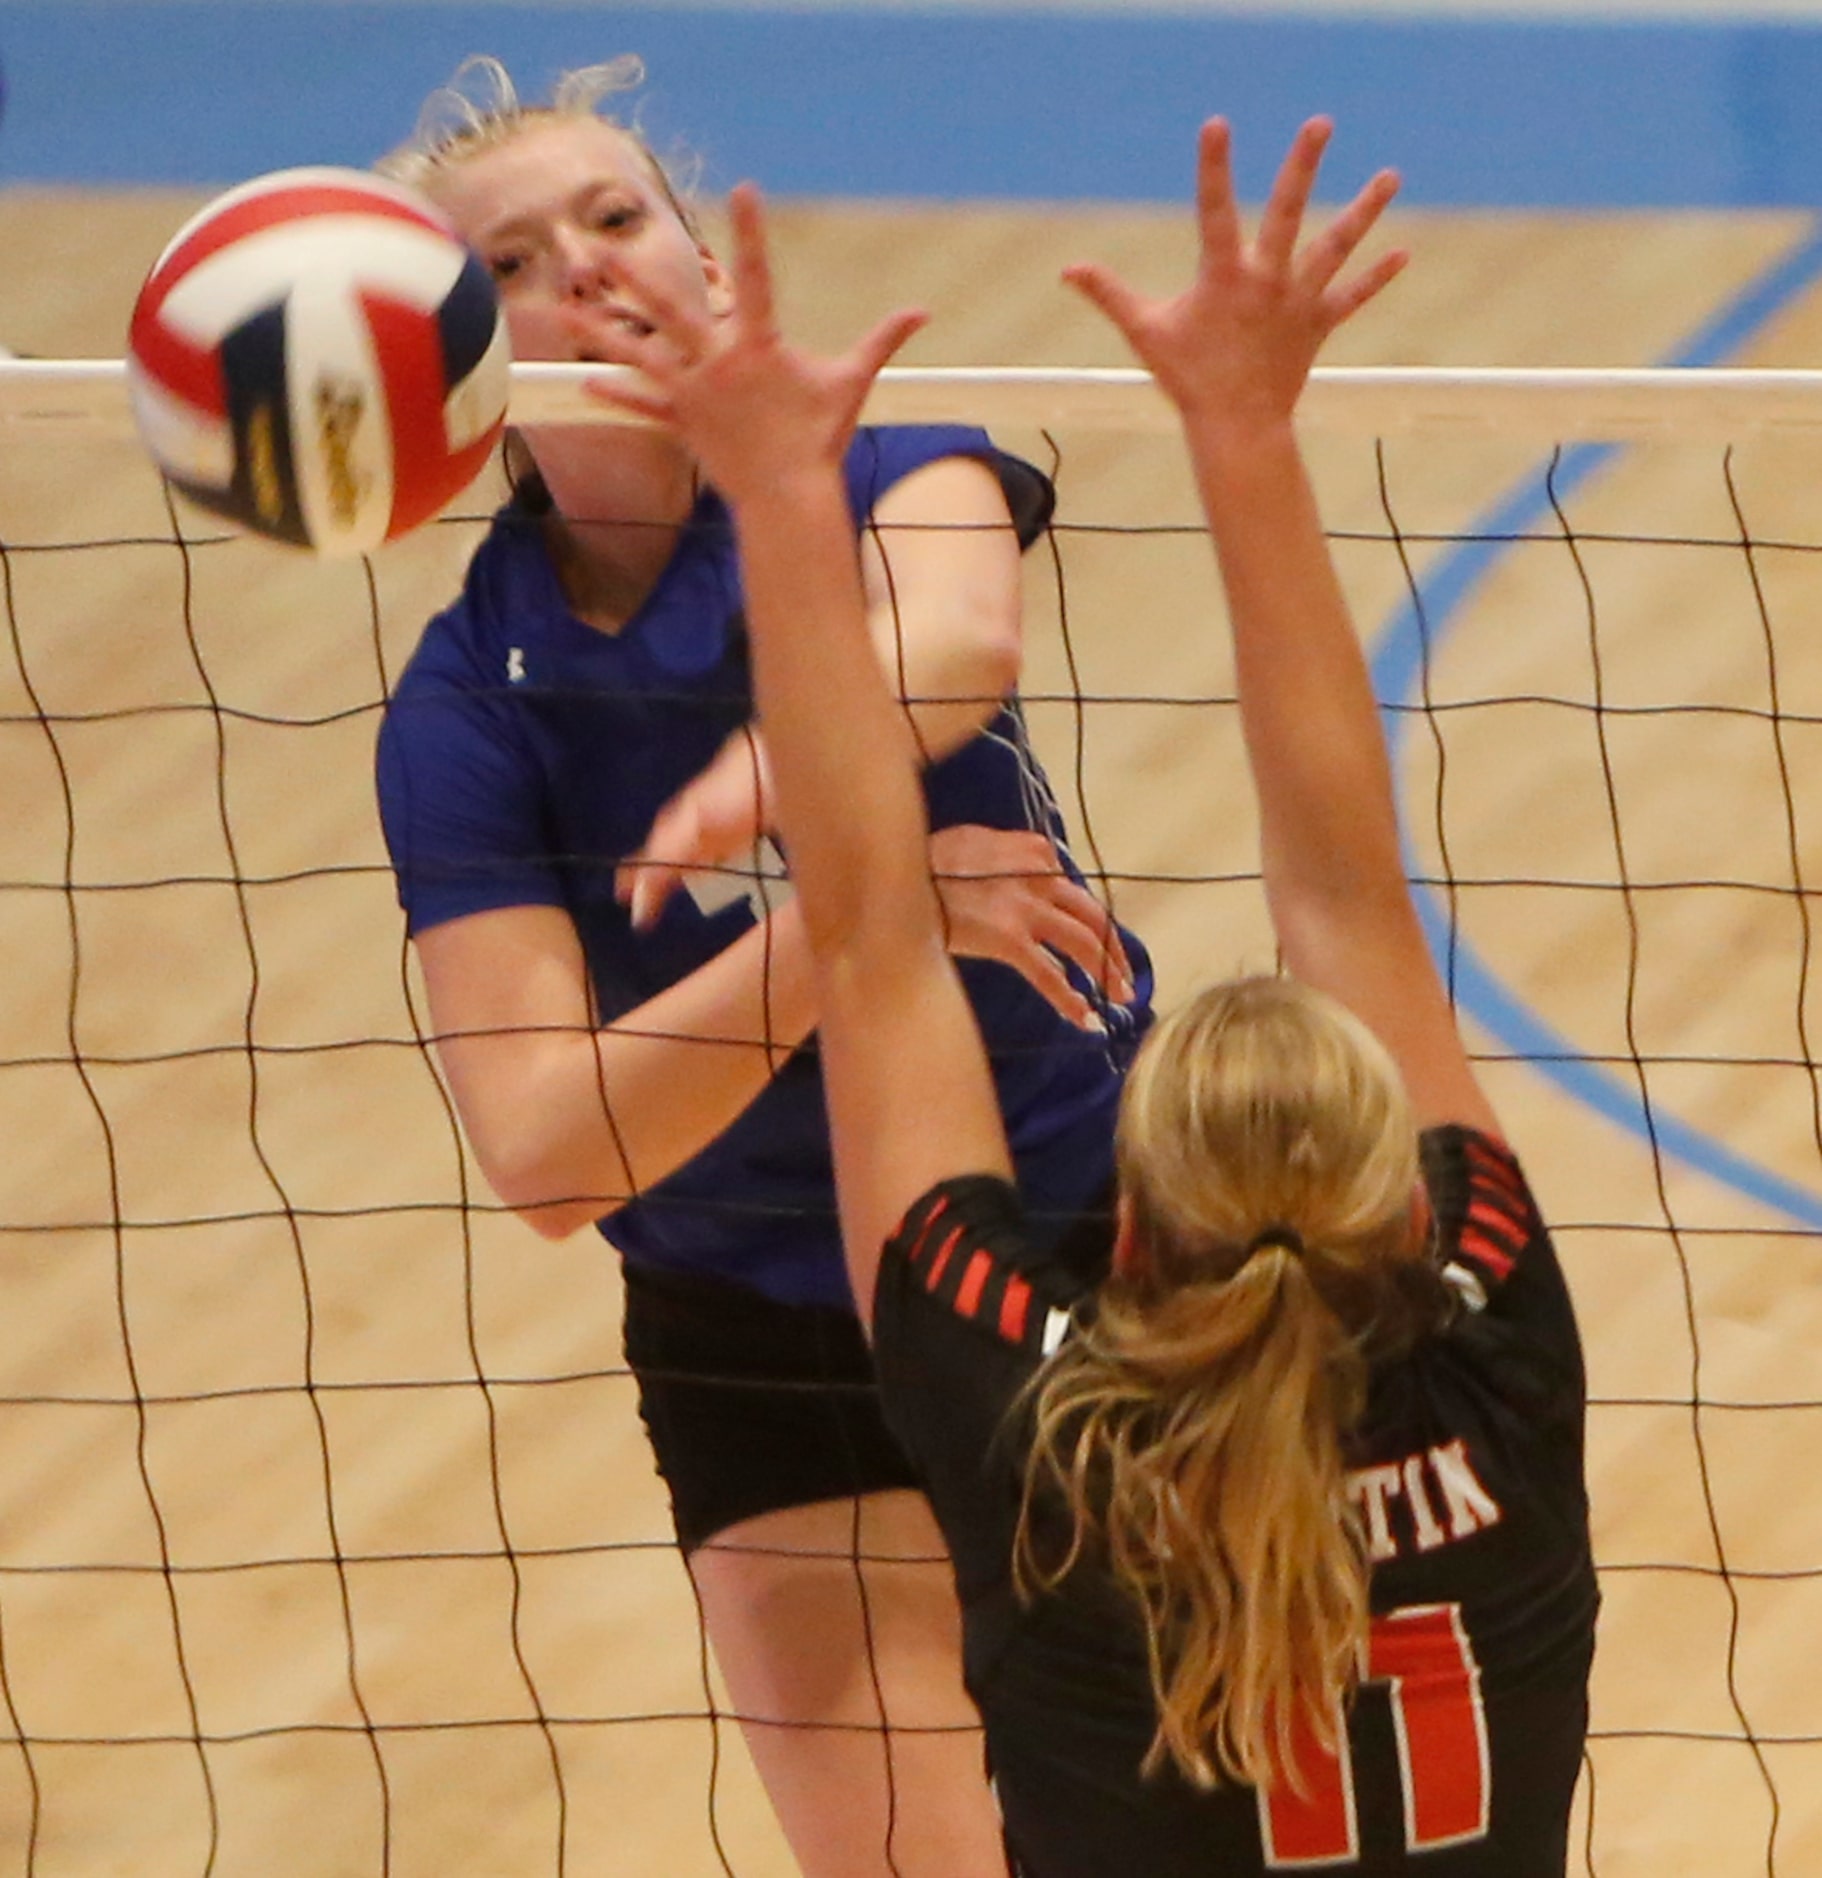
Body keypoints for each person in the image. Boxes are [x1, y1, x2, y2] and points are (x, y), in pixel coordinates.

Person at [592, 115, 1598, 1872]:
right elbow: (1347, 904)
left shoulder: (1044, 1440)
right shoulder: (1489, 1349)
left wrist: (766, 494)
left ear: (1124, 1227)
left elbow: (871, 945)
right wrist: (1249, 430)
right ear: (1404, 1195)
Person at [371, 57, 1150, 1878]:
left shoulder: (900, 463)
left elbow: (951, 638)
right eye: (518, 255)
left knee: (1175, 1823)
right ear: (465, 359)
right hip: (759, 1328)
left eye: (619, 215)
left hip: (1082, 1242)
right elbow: (554, 1152)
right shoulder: (463, 710)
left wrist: (786, 783)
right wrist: (857, 910)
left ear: (710, 260)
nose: (590, 264)